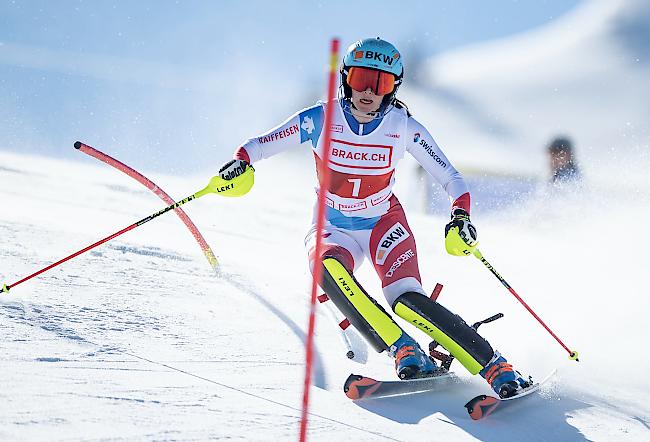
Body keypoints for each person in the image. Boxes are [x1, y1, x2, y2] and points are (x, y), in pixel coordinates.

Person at [216, 38, 529, 398]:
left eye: (379, 83)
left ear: (393, 88)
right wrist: (241, 162)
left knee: (406, 300)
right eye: (362, 78)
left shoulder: (403, 126)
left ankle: (495, 365)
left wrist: (460, 216)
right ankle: (403, 348)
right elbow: (260, 144)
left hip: (384, 224)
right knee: (325, 269)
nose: (368, 91)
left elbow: (451, 178)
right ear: (346, 78)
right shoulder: (320, 118)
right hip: (334, 228)